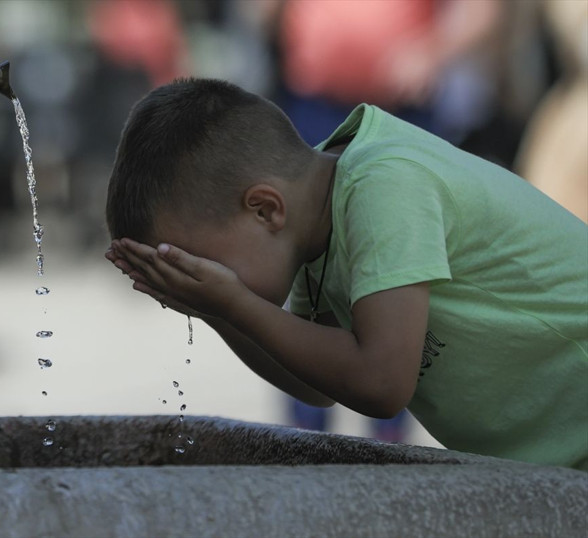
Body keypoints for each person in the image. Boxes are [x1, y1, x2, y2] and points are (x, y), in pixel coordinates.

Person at [104, 78, 588, 471]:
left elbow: (381, 384)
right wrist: (215, 311)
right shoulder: (312, 210)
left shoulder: (385, 186)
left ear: (264, 209)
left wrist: (233, 303)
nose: (199, 276)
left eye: (197, 263)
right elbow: (321, 383)